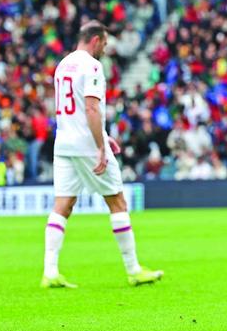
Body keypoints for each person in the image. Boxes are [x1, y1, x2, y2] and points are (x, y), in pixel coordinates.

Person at [42, 21, 163, 289]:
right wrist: (100, 146)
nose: (105, 50)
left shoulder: (63, 65)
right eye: (105, 44)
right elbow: (91, 108)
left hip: (63, 143)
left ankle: (49, 272)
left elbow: (71, 109)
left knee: (62, 205)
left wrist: (103, 136)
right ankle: (133, 270)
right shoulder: (92, 65)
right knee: (117, 202)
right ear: (96, 40)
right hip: (86, 144)